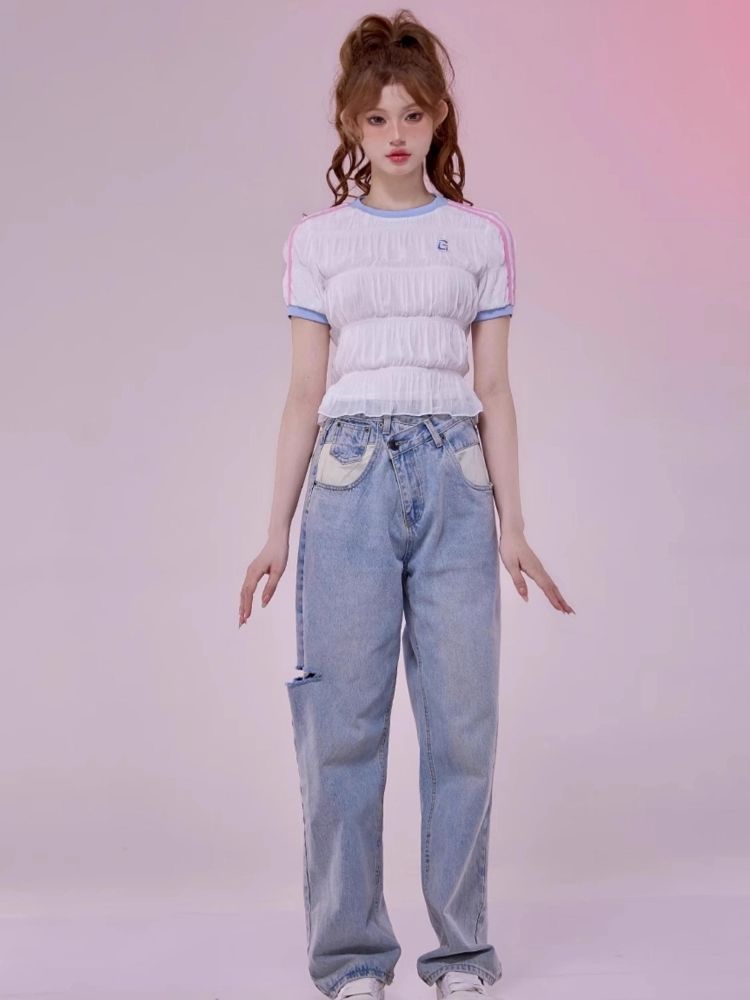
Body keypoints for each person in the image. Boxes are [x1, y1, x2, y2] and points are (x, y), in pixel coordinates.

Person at [239, 10, 575, 1000]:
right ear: (351, 125)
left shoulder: (478, 238)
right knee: (342, 729)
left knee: (462, 728)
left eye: (414, 115)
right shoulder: (318, 242)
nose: (396, 133)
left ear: (437, 121)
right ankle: (352, 958)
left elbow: (496, 389)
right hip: (347, 485)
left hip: (455, 480)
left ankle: (461, 954)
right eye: (377, 116)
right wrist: (274, 530)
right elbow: (304, 393)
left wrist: (514, 523)